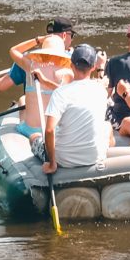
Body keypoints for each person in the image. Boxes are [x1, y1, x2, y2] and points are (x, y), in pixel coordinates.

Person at [41, 43, 112, 176]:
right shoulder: (101, 91)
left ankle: (47, 156)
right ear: (93, 67)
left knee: (34, 138)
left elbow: (49, 130)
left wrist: (52, 164)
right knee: (108, 126)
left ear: (71, 65)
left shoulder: (60, 93)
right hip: (94, 158)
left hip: (65, 161)